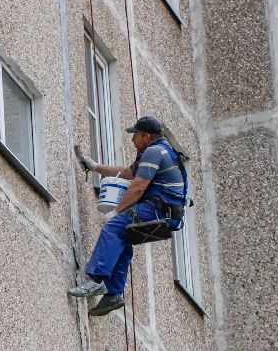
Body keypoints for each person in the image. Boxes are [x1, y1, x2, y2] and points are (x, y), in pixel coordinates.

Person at [69, 115, 189, 317]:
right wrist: (96, 167)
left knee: (113, 227)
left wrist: (116, 211)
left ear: (146, 136)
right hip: (167, 212)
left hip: (157, 209)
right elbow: (127, 173)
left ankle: (95, 281)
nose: (132, 140)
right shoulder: (162, 150)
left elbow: (138, 187)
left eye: (135, 135)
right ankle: (113, 294)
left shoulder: (153, 152)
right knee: (123, 235)